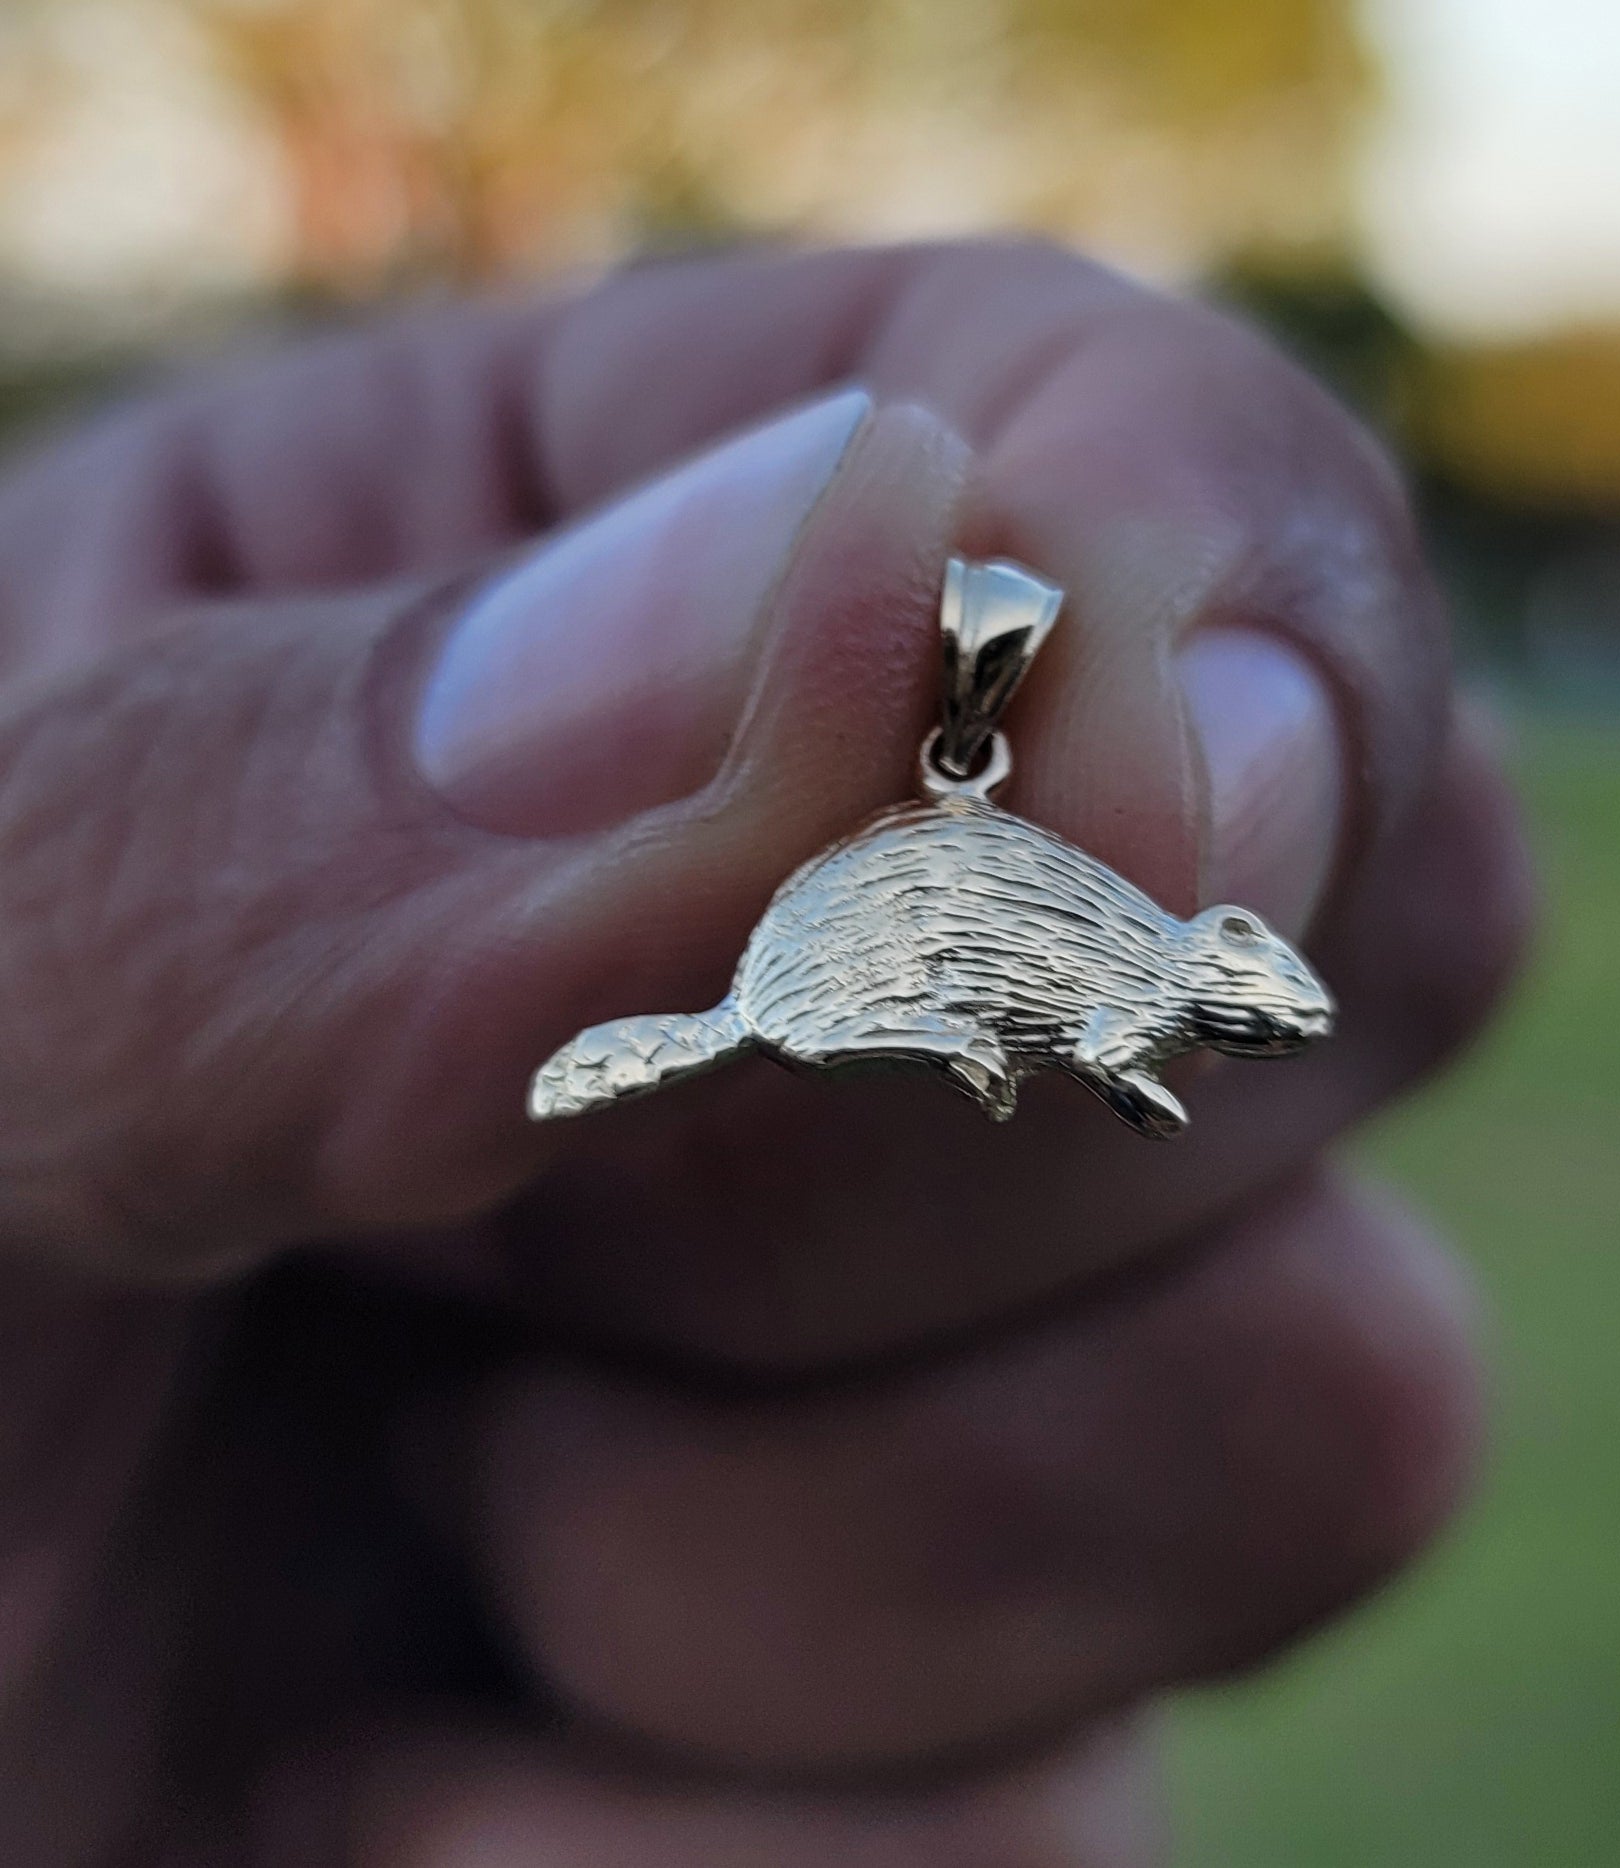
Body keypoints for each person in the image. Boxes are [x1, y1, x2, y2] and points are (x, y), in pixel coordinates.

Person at [0, 239, 1532, 1865]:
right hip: (829, 976)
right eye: (1246, 998)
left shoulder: (1121, 945)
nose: (1262, 1015)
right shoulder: (1097, 934)